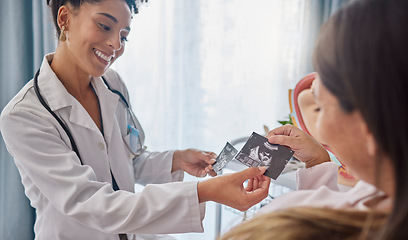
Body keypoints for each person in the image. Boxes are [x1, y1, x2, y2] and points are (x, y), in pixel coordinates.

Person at [0, 0, 271, 239]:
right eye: (105, 26)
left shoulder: (113, 84)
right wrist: (204, 192)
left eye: (124, 36)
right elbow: (92, 203)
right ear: (65, 19)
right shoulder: (25, 116)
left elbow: (128, 160)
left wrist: (176, 159)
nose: (116, 45)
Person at [222, 0, 408, 239]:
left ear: (369, 128)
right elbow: (337, 208)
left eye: (319, 107)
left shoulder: (281, 229)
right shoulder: (383, 194)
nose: (318, 128)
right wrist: (317, 163)